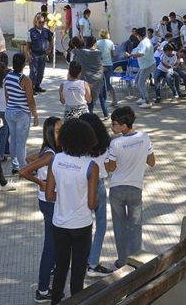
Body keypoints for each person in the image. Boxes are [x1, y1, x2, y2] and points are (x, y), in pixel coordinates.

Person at [45, 118, 99, 304]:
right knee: (77, 272)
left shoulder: (56, 159)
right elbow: (92, 204)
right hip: (81, 225)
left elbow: (49, 194)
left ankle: (55, 301)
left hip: (59, 223)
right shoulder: (91, 166)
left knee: (60, 267)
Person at [19, 117, 62, 303]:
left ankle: (50, 269)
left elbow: (30, 158)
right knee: (51, 247)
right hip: (50, 203)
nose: (62, 133)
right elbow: (24, 171)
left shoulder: (48, 152)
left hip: (47, 203)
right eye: (59, 130)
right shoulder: (50, 155)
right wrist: (41, 182)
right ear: (50, 133)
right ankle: (43, 290)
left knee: (52, 243)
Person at [107, 106, 155, 269]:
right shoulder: (144, 137)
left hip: (117, 189)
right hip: (136, 188)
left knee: (120, 226)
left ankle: (122, 262)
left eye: (114, 124)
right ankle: (136, 262)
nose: (111, 127)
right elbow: (151, 161)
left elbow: (111, 168)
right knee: (135, 226)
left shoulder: (116, 143)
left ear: (124, 125)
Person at [79, 113, 114, 277]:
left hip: (79, 186)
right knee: (101, 224)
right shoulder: (106, 145)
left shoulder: (77, 147)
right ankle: (93, 263)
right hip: (98, 185)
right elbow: (108, 170)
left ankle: (81, 260)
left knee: (82, 225)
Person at [5, 53, 39, 175]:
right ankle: (24, 167)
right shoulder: (25, 79)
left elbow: (7, 95)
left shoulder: (8, 76)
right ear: (24, 64)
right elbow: (30, 99)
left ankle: (15, 166)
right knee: (21, 142)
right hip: (22, 113)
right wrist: (35, 114)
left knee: (13, 140)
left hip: (9, 111)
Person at [73, 36, 107, 118]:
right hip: (98, 79)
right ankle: (105, 113)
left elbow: (74, 51)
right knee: (101, 96)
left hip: (85, 79)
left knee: (88, 99)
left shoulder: (80, 52)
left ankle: (89, 115)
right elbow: (99, 62)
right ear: (95, 43)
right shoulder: (98, 53)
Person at [125, 28, 156, 109]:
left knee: (141, 83)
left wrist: (130, 55)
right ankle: (142, 98)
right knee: (137, 80)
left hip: (147, 65)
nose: (136, 37)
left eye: (136, 35)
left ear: (138, 35)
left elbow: (141, 53)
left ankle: (147, 101)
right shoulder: (145, 41)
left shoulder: (144, 43)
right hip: (144, 65)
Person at [26, 13, 54, 93]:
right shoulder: (31, 32)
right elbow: (28, 43)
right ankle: (31, 88)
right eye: (40, 22)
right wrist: (27, 54)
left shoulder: (46, 31)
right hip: (34, 54)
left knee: (41, 72)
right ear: (36, 22)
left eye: (43, 22)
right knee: (33, 72)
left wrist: (50, 49)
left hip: (43, 54)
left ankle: (37, 86)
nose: (42, 24)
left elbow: (51, 40)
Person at [97, 29, 118, 108]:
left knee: (101, 84)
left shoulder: (97, 43)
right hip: (109, 65)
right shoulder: (111, 42)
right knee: (108, 84)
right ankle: (114, 100)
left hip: (101, 65)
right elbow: (113, 55)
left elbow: (96, 54)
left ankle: (103, 101)